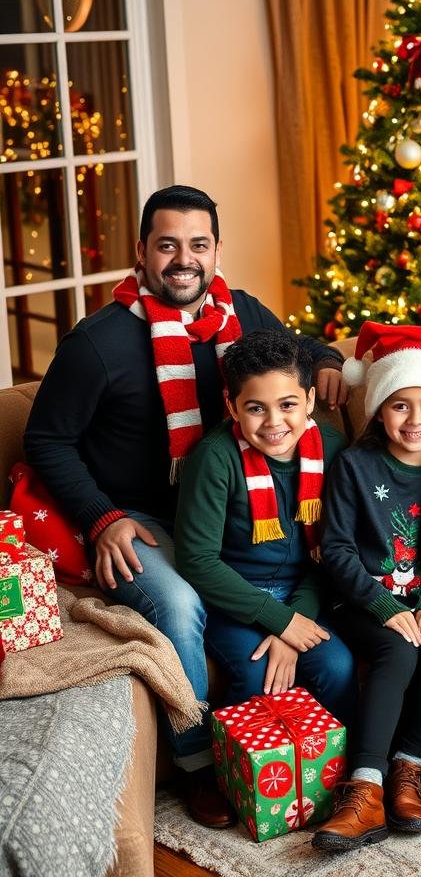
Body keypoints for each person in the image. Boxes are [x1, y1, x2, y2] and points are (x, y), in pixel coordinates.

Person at [22, 185, 346, 826]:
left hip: (222, 510)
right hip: (140, 518)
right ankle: (204, 764)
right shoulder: (99, 342)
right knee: (178, 601)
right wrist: (100, 517)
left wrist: (330, 359)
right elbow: (45, 439)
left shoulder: (239, 315)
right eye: (166, 244)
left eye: (198, 245)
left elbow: (293, 351)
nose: (183, 259)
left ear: (216, 251)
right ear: (141, 252)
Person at [313, 323, 421, 853]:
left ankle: (410, 768)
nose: (416, 419)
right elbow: (336, 550)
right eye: (401, 405)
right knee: (397, 648)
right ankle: (367, 787)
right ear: (378, 409)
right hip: (360, 598)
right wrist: (381, 603)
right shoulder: (356, 466)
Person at [175, 328, 355, 729]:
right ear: (232, 405)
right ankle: (239, 779)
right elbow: (197, 560)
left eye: (288, 404)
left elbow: (331, 550)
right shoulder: (214, 458)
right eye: (256, 408)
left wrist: (294, 620)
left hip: (305, 594)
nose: (274, 422)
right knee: (259, 676)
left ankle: (338, 775)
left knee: (338, 667)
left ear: (309, 399)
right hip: (232, 599)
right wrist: (280, 621)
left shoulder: (332, 448)